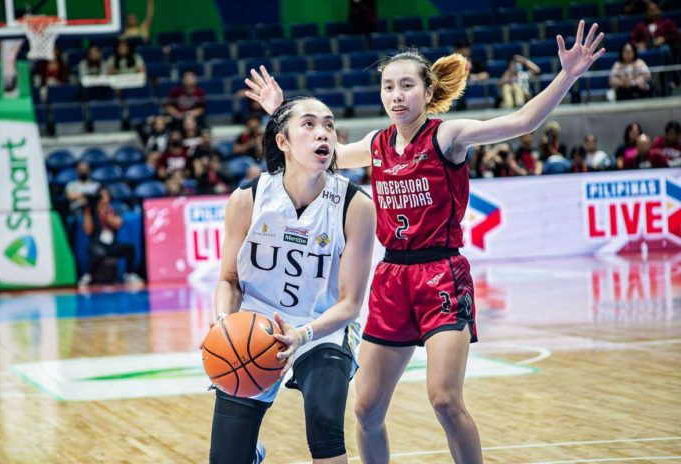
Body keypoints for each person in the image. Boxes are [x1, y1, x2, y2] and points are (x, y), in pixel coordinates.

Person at [246, 20, 604, 464]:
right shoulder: (376, 145)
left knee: (444, 400)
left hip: (442, 275)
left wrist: (567, 74)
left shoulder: (447, 137)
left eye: (406, 86)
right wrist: (280, 109)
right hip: (392, 276)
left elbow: (522, 120)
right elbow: (310, 148)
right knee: (366, 407)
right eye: (388, 87)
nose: (396, 96)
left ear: (427, 92)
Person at [205, 96, 376, 464]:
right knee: (226, 459)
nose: (324, 134)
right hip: (256, 326)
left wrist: (302, 335)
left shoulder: (355, 205)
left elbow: (350, 303)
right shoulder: (247, 199)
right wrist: (223, 323)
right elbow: (229, 280)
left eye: (329, 125)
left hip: (321, 327)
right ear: (283, 142)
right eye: (310, 125)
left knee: (325, 423)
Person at [78, 186, 144, 287]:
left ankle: (129, 274)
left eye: (105, 194)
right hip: (96, 244)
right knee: (99, 252)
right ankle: (89, 275)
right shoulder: (91, 211)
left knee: (130, 248)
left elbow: (118, 224)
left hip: (112, 244)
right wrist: (88, 210)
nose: (103, 197)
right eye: (101, 195)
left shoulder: (114, 210)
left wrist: (105, 214)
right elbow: (88, 230)